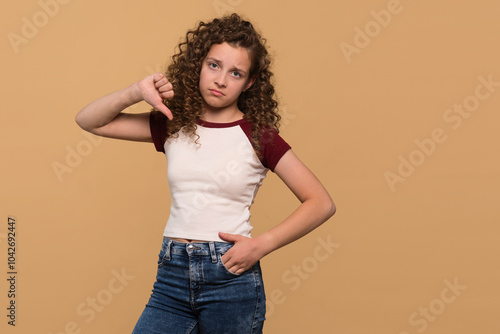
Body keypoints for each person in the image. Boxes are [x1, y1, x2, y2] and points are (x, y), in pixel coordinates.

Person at [75, 13, 335, 334]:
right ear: (198, 64)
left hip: (229, 276)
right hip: (172, 272)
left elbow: (320, 202)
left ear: (249, 82)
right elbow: (90, 121)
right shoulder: (174, 123)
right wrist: (136, 92)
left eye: (235, 73)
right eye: (214, 65)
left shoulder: (258, 136)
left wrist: (263, 244)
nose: (221, 80)